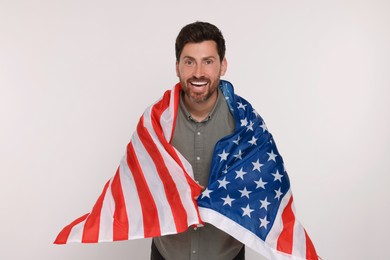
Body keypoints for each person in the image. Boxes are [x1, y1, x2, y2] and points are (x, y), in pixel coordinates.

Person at [150, 21, 245, 260]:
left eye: (208, 61)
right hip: (167, 253)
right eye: (189, 61)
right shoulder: (155, 122)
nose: (198, 72)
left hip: (227, 254)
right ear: (177, 67)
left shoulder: (245, 122)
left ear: (223, 66)